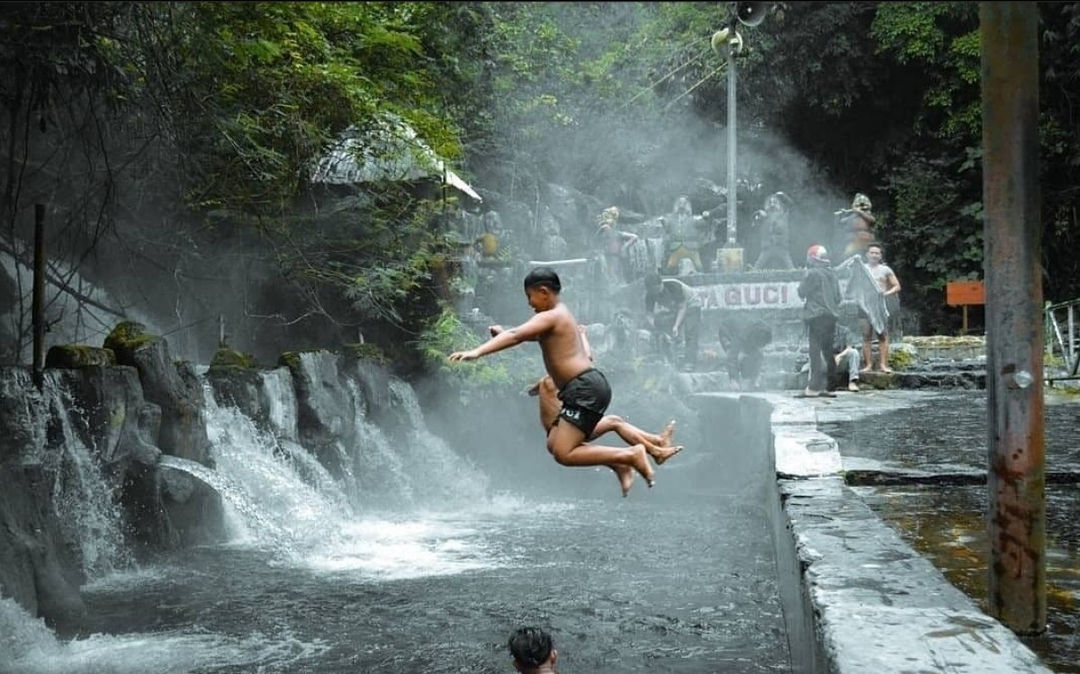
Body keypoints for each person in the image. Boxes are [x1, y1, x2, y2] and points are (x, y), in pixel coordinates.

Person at [448, 266, 682, 496]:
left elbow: (516, 335)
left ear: (543, 292)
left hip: (584, 388)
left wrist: (477, 352)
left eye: (529, 297)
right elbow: (524, 334)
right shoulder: (559, 316)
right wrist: (502, 333)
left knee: (563, 452)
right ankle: (638, 454)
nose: (529, 303)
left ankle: (630, 456)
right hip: (585, 387)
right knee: (554, 441)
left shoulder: (553, 315)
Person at [797, 244, 841, 398]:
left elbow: (802, 292)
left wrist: (804, 276)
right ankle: (829, 387)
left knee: (815, 351)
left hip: (816, 315)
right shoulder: (832, 274)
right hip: (831, 316)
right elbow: (838, 298)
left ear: (812, 258)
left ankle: (814, 388)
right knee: (828, 351)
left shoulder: (812, 273)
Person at [644, 273, 701, 371]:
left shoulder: (673, 286)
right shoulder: (650, 295)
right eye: (653, 291)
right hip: (675, 309)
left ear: (661, 284)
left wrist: (676, 326)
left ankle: (690, 362)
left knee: (690, 332)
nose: (656, 294)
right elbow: (649, 314)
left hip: (692, 304)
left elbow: (682, 308)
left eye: (657, 290)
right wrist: (654, 325)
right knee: (660, 321)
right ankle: (672, 355)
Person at [860, 242, 901, 373]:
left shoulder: (886, 270)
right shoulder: (861, 269)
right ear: (867, 254)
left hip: (879, 305)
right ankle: (868, 365)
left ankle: (883, 364)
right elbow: (854, 285)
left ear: (880, 255)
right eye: (872, 253)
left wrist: (886, 294)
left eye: (877, 253)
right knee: (866, 335)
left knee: (882, 335)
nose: (874, 255)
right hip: (864, 305)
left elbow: (897, 286)